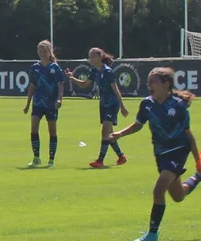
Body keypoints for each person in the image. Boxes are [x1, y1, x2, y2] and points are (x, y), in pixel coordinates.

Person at [108, 67, 201, 241]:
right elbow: (138, 125)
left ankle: (152, 234)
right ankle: (198, 178)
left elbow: (189, 136)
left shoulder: (178, 106)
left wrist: (199, 161)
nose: (149, 85)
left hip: (178, 150)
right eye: (148, 82)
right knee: (178, 196)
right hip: (161, 153)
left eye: (153, 81)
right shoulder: (147, 104)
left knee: (158, 190)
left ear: (165, 84)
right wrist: (120, 134)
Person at [65, 48, 128, 168]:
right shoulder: (95, 71)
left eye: (93, 57)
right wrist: (72, 78)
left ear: (100, 57)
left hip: (112, 104)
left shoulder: (108, 71)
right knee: (109, 133)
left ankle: (100, 160)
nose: (91, 59)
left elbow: (116, 89)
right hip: (103, 103)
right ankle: (121, 156)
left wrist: (122, 106)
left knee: (105, 131)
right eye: (89, 57)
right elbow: (84, 84)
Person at [24, 40, 64, 168]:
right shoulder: (34, 68)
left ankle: (51, 160)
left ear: (49, 52)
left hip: (51, 104)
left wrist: (60, 99)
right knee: (34, 129)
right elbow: (32, 86)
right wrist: (27, 104)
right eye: (40, 51)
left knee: (52, 131)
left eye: (44, 51)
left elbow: (60, 84)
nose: (42, 53)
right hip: (38, 103)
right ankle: (36, 157)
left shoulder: (55, 68)